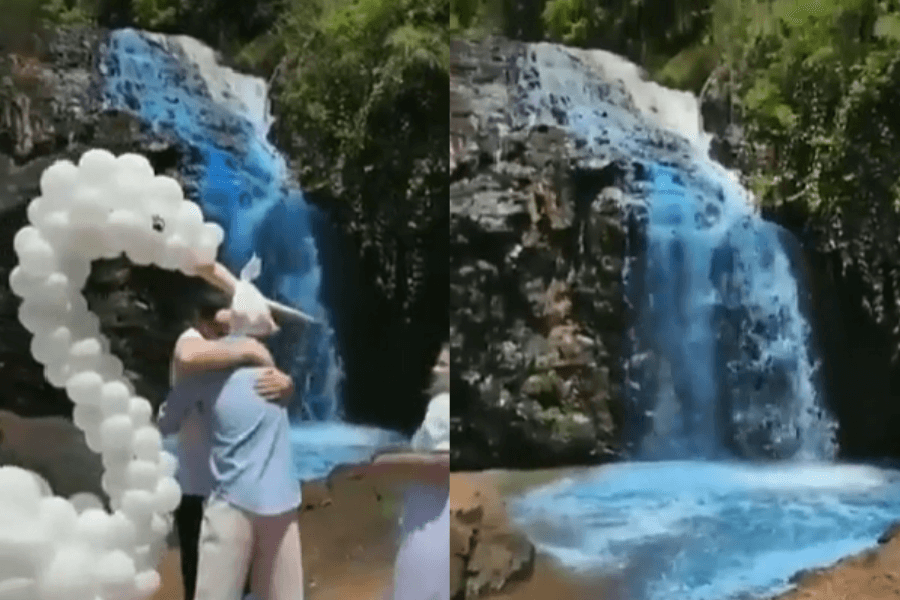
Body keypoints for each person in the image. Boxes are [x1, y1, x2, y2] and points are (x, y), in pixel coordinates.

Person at [159, 290, 304, 600]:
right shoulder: (267, 367)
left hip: (231, 499)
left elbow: (166, 422)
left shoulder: (207, 373)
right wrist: (256, 354)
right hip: (280, 497)